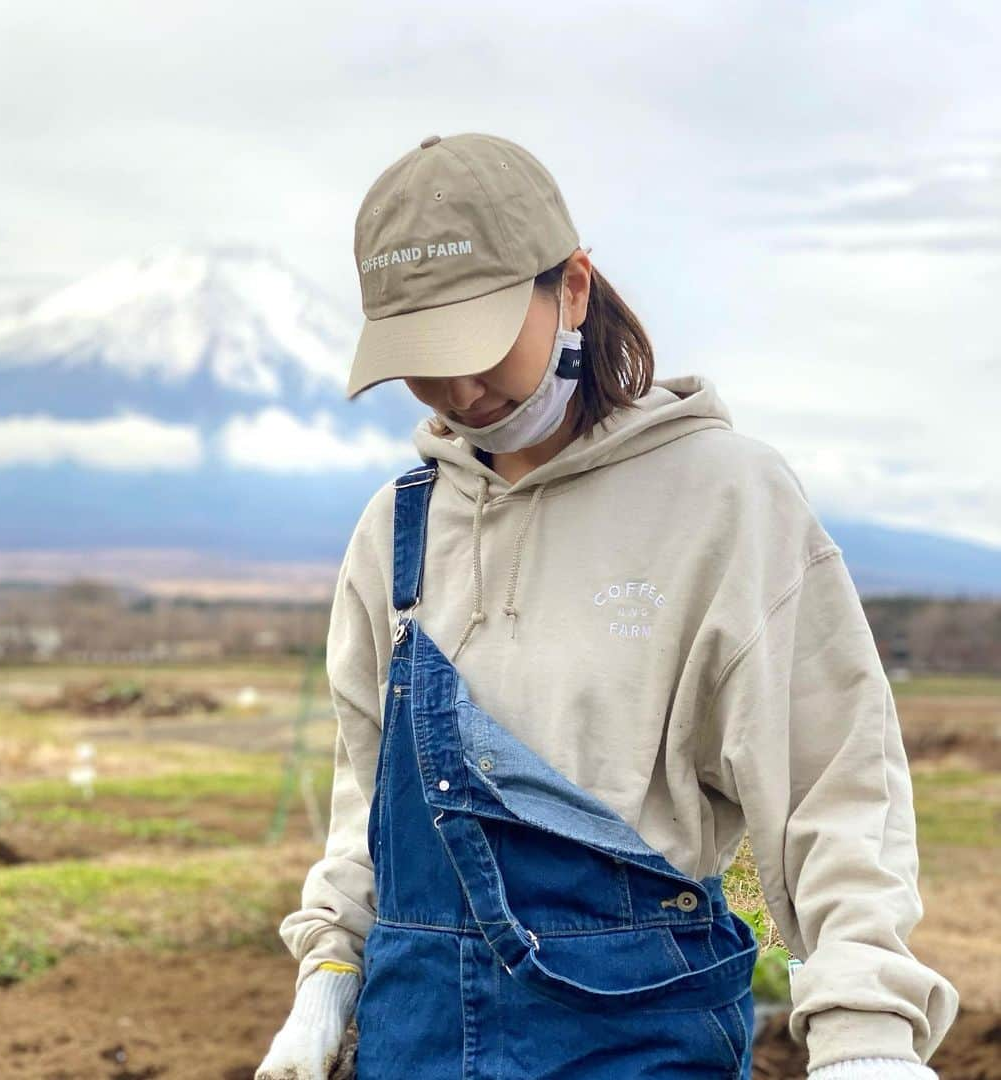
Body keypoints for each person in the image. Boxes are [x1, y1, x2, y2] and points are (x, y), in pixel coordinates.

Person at [254, 132, 959, 1079]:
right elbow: (370, 796)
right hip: (412, 1033)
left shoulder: (724, 500)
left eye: (479, 344)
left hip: (634, 1037)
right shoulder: (397, 531)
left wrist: (866, 1031)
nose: (458, 390)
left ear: (572, 287)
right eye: (422, 360)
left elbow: (833, 784)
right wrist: (331, 966)